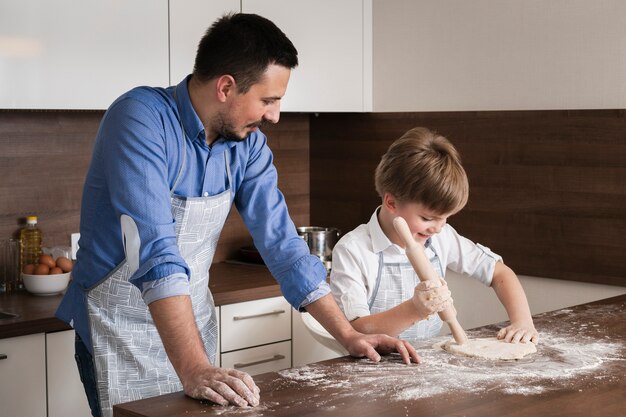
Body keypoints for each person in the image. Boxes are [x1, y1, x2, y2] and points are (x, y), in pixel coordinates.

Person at [55, 13, 421, 417]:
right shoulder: (140, 118)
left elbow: (283, 245)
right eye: (268, 100)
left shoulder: (247, 146)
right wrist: (193, 368)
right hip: (120, 332)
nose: (275, 115)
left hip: (191, 328)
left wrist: (348, 335)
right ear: (226, 87)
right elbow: (155, 250)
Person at [330, 127, 538, 344]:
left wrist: (523, 321)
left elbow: (500, 273)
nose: (438, 228)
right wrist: (414, 309)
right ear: (391, 202)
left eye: (445, 218)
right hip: (371, 364)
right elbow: (356, 329)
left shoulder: (441, 238)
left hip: (427, 360)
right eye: (428, 219)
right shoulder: (353, 250)